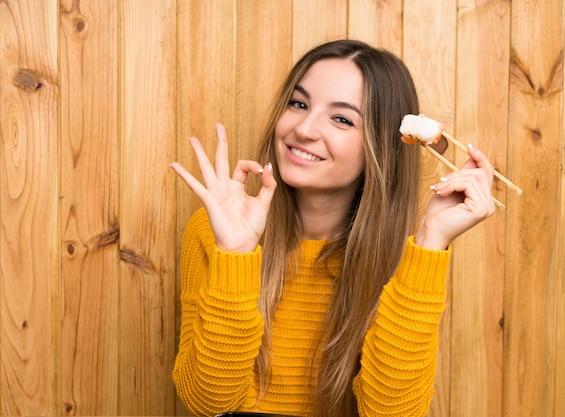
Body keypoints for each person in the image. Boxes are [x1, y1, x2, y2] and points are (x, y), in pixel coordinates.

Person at [170, 39, 495, 417]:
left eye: (341, 119)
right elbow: (205, 402)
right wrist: (236, 256)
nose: (304, 129)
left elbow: (392, 414)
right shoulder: (213, 231)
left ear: (381, 147)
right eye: (299, 103)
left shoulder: (401, 262)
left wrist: (430, 242)